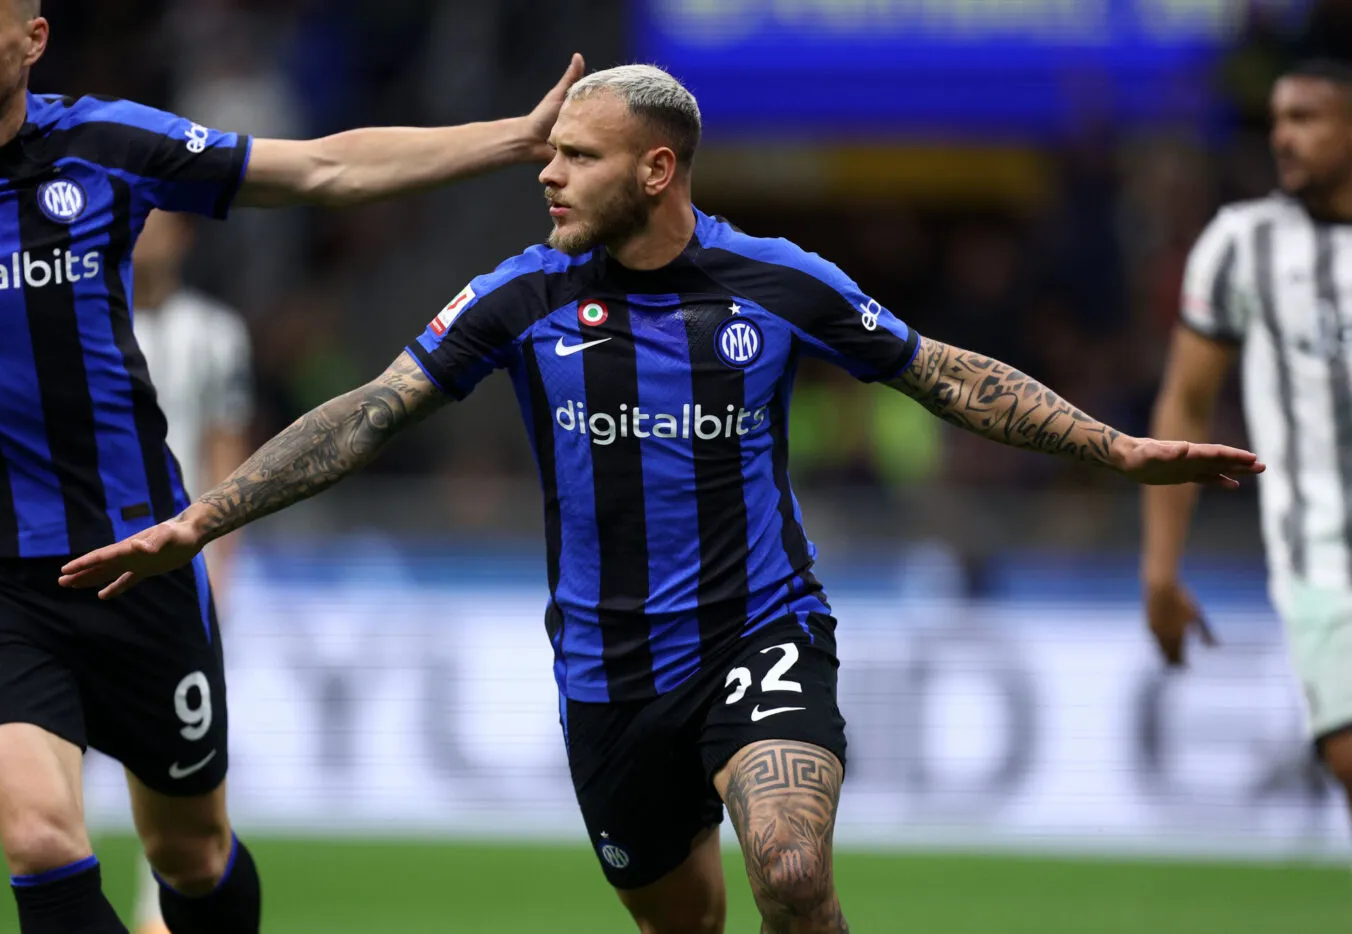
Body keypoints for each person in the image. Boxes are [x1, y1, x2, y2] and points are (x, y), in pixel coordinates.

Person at [62, 65, 1262, 934]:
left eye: (574, 156)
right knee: (681, 921)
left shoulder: (776, 280)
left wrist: (1114, 450)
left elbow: (939, 371)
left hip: (759, 633)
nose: (546, 171)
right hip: (607, 674)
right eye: (549, 154)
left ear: (656, 168)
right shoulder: (521, 293)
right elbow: (370, 411)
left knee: (790, 876)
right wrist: (203, 517)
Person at [0, 2, 584, 932]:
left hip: (143, 562)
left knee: (191, 856)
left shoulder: (103, 145)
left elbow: (321, 167)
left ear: (33, 41)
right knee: (43, 840)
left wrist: (509, 140)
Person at [1144, 59, 1352, 817]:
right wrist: (1161, 572)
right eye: (1278, 120)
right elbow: (1185, 403)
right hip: (1321, 555)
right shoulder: (1242, 243)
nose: (1285, 137)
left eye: (1308, 118)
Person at [128, 209, 254, 934]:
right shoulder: (77, 315)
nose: (145, 235)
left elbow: (225, 450)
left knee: (174, 752)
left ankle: (158, 911)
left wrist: (222, 566)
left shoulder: (215, 333)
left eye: (160, 222)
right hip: (75, 559)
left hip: (178, 573)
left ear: (184, 236)